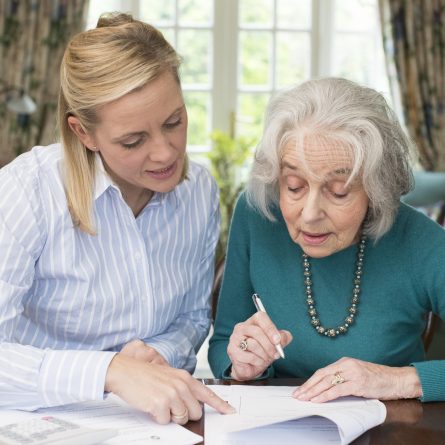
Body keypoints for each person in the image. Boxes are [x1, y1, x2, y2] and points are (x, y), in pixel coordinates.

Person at [0, 12, 235, 423]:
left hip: (150, 421)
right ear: (83, 133)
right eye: (133, 140)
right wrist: (110, 371)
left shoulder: (198, 190)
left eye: (174, 122)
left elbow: (193, 318)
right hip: (36, 419)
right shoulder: (27, 192)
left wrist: (156, 358)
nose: (165, 153)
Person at [208, 77, 445, 403]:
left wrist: (401, 380)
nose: (309, 214)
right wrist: (242, 364)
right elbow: (223, 343)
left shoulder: (420, 241)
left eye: (339, 192)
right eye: (294, 186)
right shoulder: (258, 214)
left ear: (377, 191)